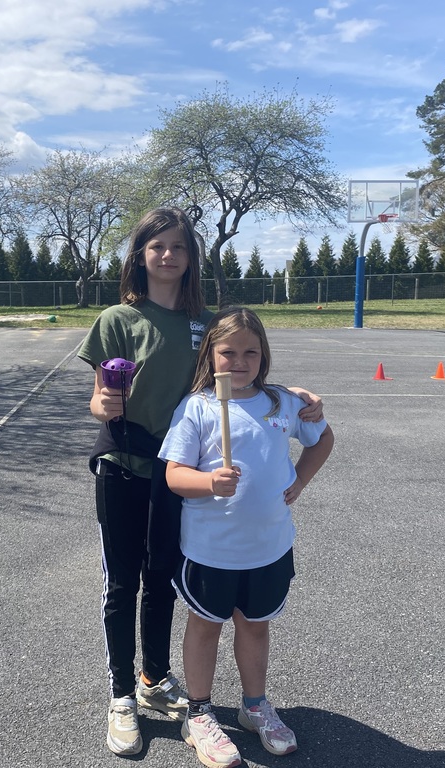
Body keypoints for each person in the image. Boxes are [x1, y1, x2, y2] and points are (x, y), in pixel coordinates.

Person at [78, 208, 324, 757]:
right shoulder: (119, 318)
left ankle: (154, 680)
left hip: (182, 474)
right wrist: (101, 403)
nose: (168, 256)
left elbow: (240, 370)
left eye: (179, 247)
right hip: (127, 463)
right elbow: (100, 396)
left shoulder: (206, 320)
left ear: (192, 258)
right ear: (140, 254)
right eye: (157, 246)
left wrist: (297, 396)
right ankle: (121, 697)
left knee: (165, 577)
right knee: (122, 583)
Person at [159, 307, 335, 767]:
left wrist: (300, 480)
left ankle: (254, 705)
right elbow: (175, 475)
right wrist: (209, 483)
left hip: (269, 546)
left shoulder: (283, 402)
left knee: (255, 626)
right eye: (228, 352)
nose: (238, 361)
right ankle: (198, 713)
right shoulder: (196, 406)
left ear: (263, 356)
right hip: (210, 549)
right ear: (210, 355)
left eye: (250, 352)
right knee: (205, 626)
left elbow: (322, 439)